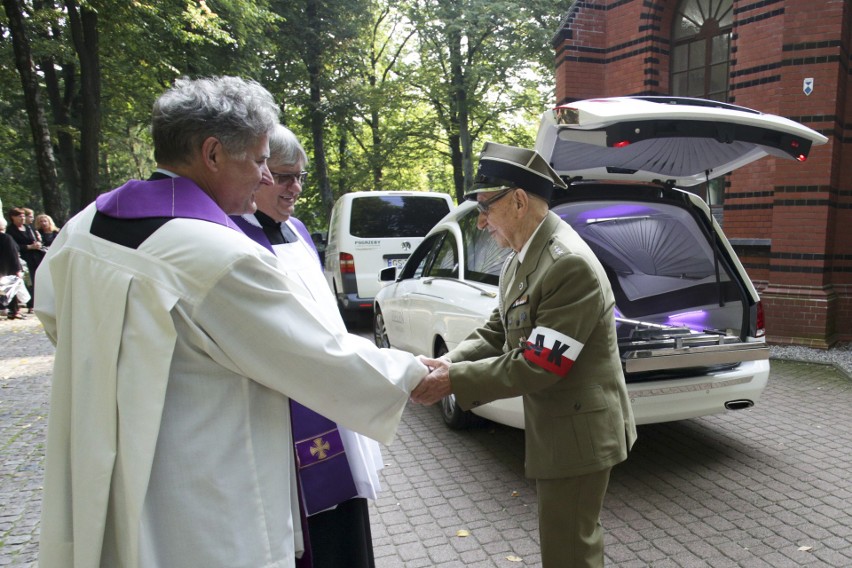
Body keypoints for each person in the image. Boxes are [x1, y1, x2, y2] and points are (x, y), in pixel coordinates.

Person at [34, 76, 428, 568]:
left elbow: (53, 314)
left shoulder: (82, 227)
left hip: (109, 463)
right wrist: (415, 372)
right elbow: (312, 355)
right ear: (213, 153)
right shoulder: (215, 254)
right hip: (202, 491)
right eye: (261, 160)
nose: (267, 178)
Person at [413, 142, 638, 568]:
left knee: (570, 549)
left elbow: (541, 363)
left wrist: (453, 382)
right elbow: (500, 328)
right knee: (566, 542)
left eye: (485, 207)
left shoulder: (566, 264)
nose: (480, 222)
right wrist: (451, 362)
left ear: (518, 201)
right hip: (562, 425)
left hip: (579, 434)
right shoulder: (524, 254)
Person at [232, 124, 381, 568]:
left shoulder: (296, 230)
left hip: (331, 394)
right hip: (285, 406)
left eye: (299, 177)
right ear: (258, 176)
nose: (294, 187)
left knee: (347, 511)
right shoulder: (234, 237)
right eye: (282, 176)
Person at [7, 207, 42, 313]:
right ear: (13, 217)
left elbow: (34, 240)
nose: (22, 218)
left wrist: (38, 243)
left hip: (35, 257)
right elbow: (14, 246)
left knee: (37, 280)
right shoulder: (11, 230)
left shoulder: (28, 228)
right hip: (23, 258)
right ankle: (30, 305)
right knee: (28, 281)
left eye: (23, 216)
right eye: (19, 216)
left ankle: (38, 303)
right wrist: (29, 247)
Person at [0, 216, 29, 320]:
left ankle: (9, 310)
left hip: (4, 268)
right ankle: (14, 311)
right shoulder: (6, 238)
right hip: (7, 268)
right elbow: (13, 254)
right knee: (10, 290)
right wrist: (18, 269)